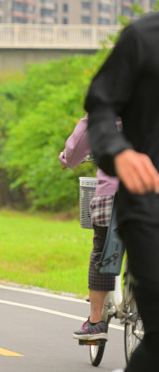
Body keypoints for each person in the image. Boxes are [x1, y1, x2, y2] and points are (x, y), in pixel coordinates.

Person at [85, 13, 159, 372]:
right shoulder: (143, 37)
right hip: (149, 204)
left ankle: (95, 319)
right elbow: (100, 108)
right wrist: (119, 151)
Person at [59, 115, 119, 341]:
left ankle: (95, 322)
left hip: (114, 192)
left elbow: (79, 141)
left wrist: (67, 159)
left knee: (103, 252)